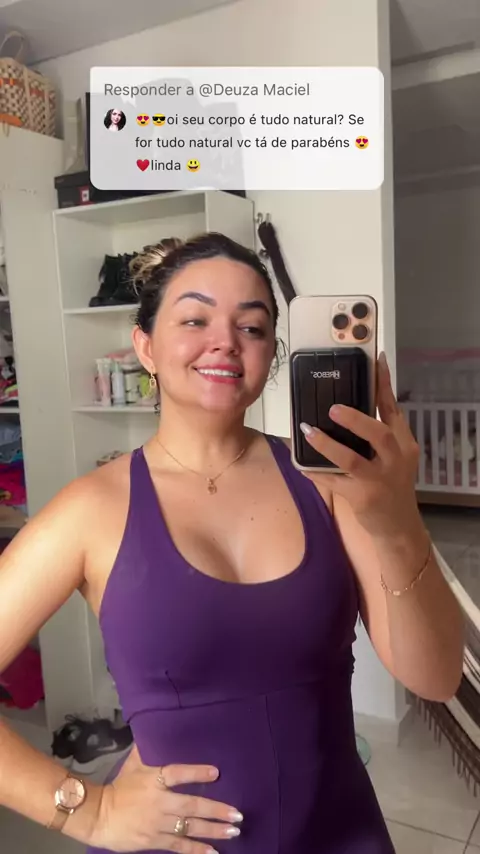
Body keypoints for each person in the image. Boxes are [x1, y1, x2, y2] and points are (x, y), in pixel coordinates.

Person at [0, 233, 464, 854]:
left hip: (337, 832)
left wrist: (397, 517)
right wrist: (90, 812)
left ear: (272, 354)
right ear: (146, 347)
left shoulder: (329, 485)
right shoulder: (90, 510)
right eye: (195, 320)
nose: (225, 341)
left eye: (252, 327)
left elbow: (435, 677)